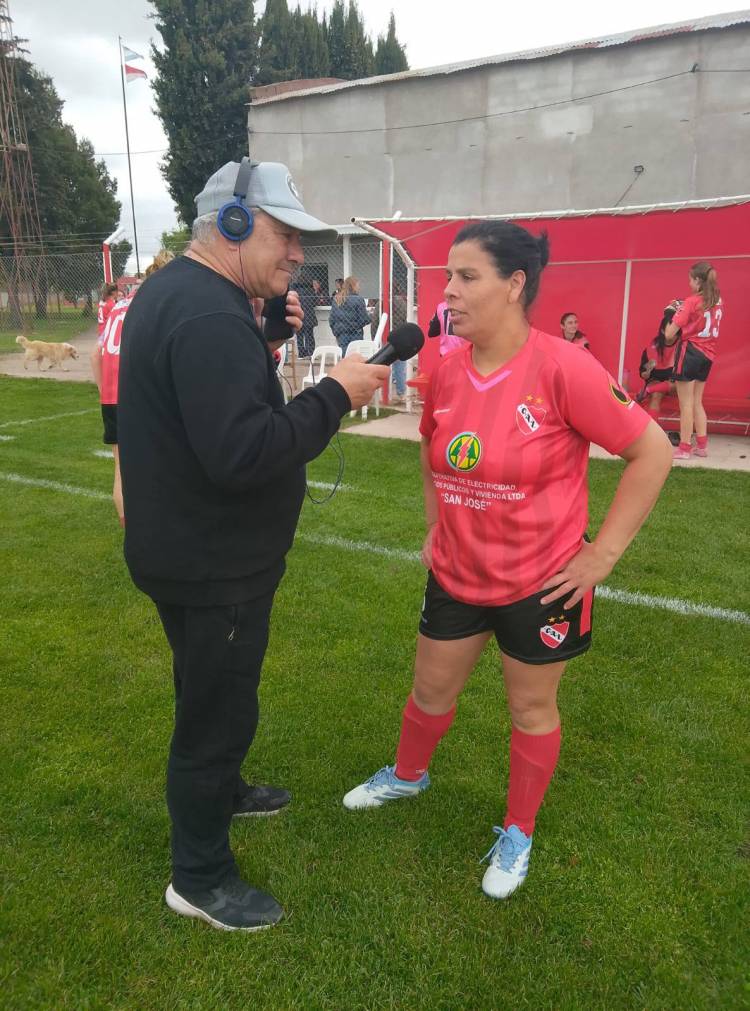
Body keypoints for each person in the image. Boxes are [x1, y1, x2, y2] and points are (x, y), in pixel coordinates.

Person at [343, 220, 672, 900]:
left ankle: (518, 828)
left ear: (515, 284)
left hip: (542, 582)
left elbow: (653, 451)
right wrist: (437, 523)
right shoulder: (445, 365)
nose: (449, 293)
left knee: (530, 708)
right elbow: (433, 449)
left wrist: (601, 555)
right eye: (447, 278)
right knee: (430, 691)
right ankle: (409, 773)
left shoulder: (562, 366)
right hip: (457, 576)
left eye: (467, 277)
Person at [117, 159, 389, 933]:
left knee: (210, 691)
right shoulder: (207, 314)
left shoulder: (188, 295)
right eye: (284, 233)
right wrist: (337, 393)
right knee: (216, 713)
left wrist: (262, 337)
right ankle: (197, 877)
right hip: (213, 565)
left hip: (195, 552)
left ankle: (224, 787)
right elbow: (240, 452)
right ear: (232, 226)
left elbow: (204, 398)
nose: (298, 252)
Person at [664, 262, 724, 460]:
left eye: (690, 279)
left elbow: (669, 334)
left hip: (689, 352)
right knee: (697, 402)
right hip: (708, 355)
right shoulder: (717, 300)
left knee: (686, 404)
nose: (689, 282)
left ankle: (684, 448)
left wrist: (672, 313)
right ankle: (702, 446)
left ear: (698, 280)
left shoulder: (691, 302)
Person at [635, 306, 680, 424]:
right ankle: (654, 431)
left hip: (674, 384)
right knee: (656, 395)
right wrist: (646, 373)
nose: (673, 335)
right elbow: (643, 373)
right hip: (656, 381)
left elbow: (684, 375)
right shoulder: (652, 347)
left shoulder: (682, 346)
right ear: (662, 330)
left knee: (680, 384)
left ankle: (648, 390)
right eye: (670, 330)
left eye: (676, 332)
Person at [329, 275, 372, 355]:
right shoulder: (358, 299)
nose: (359, 287)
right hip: (355, 334)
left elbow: (331, 319)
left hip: (341, 334)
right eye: (358, 285)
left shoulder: (336, 298)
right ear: (353, 286)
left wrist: (336, 332)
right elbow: (364, 319)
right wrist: (371, 316)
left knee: (344, 357)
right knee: (355, 357)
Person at [291, 280, 318, 358]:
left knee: (299, 336)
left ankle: (301, 354)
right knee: (309, 335)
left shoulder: (295, 291)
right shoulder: (311, 291)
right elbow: (315, 303)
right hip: (309, 316)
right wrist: (315, 291)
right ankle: (310, 353)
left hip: (298, 315)